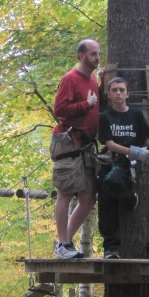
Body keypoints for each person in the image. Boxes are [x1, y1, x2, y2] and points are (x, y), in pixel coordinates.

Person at [97, 77, 149, 259]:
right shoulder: (104, 117)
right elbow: (110, 144)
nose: (118, 93)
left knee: (114, 182)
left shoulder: (135, 115)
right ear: (109, 95)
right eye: (114, 90)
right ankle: (111, 248)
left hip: (128, 165)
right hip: (111, 160)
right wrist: (134, 151)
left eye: (121, 90)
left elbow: (147, 137)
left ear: (127, 94)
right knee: (106, 204)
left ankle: (129, 197)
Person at [51, 39, 104, 259]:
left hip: (86, 145)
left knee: (88, 198)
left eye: (99, 54)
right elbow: (59, 111)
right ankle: (63, 243)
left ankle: (64, 243)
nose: (98, 58)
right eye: (93, 54)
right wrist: (86, 105)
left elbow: (95, 99)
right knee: (66, 192)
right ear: (81, 55)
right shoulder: (70, 79)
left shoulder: (92, 78)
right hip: (68, 142)